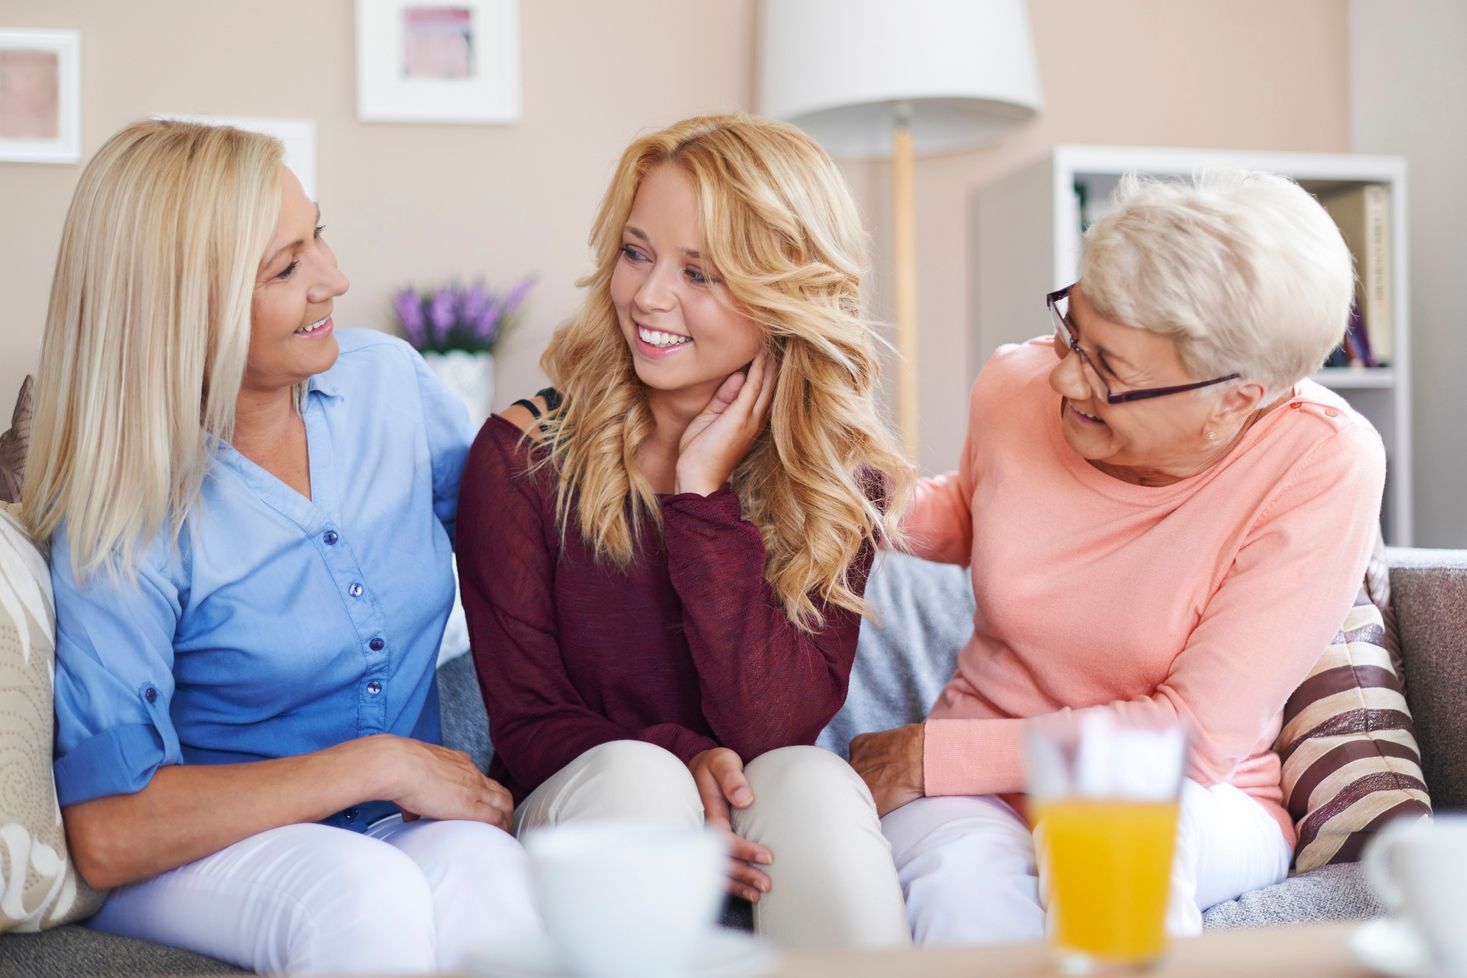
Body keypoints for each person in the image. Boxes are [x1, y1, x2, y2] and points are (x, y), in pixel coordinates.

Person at [24, 120, 537, 975]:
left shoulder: (389, 385)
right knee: (363, 893)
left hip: (384, 825)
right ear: (183, 311)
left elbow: (530, 555)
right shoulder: (122, 518)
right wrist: (378, 764)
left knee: (489, 870)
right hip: (195, 853)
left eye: (318, 237)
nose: (334, 280)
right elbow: (112, 831)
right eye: (286, 268)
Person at [849, 170, 1387, 944]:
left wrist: (933, 756)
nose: (1063, 374)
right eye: (1072, 329)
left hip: (1193, 794)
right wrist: (839, 494)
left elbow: (1193, 735)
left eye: (1107, 367)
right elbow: (976, 511)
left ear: (1236, 398)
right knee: (960, 894)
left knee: (1127, 834)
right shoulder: (1017, 383)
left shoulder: (1320, 460)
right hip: (979, 787)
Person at [456, 114, 915, 949]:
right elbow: (527, 722)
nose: (648, 296)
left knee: (811, 780)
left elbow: (773, 730)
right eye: (637, 254)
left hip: (757, 809)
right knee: (641, 779)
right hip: (585, 801)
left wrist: (701, 497)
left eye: (698, 272)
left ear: (783, 294)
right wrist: (682, 760)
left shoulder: (835, 482)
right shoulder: (521, 458)